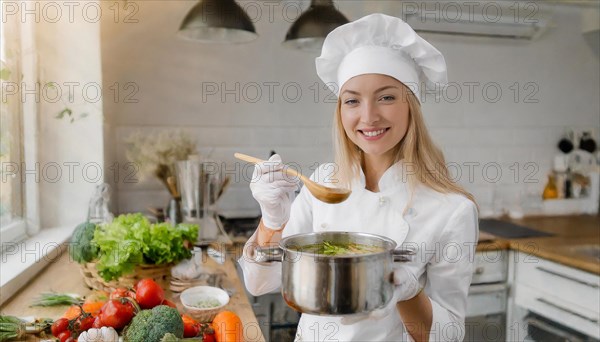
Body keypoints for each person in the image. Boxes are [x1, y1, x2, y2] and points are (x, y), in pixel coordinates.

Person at [238, 13, 479, 342]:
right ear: (340, 111)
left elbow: (449, 335)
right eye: (352, 100)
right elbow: (259, 282)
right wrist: (272, 221)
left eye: (386, 97)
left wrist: (407, 292)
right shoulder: (324, 183)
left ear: (412, 104)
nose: (368, 116)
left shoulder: (452, 209)